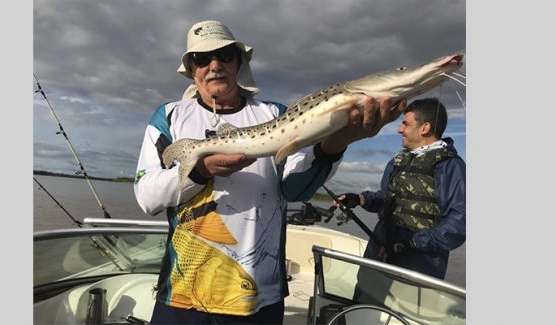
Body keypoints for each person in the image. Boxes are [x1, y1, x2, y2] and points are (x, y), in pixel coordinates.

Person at [133, 20, 406, 325]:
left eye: (224, 55)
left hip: (258, 297)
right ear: (191, 68)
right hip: (182, 295)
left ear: (239, 62)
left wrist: (338, 141)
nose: (214, 65)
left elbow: (295, 189)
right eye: (201, 58)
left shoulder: (276, 114)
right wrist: (201, 170)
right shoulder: (169, 116)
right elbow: (148, 198)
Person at [336, 97, 466, 282]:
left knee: (405, 310)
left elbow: (459, 222)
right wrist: (359, 199)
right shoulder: (398, 160)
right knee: (364, 304)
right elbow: (386, 198)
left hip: (419, 263)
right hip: (378, 253)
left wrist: (413, 244)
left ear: (425, 128)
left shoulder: (450, 166)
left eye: (405, 123)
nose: (400, 129)